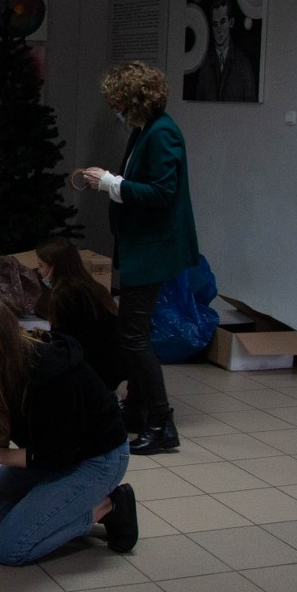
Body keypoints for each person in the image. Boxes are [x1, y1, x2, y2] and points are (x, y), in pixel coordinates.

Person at [0, 291, 136, 566]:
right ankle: (53, 515)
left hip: (95, 458)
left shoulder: (52, 373)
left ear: (1, 345)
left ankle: (107, 506)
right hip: (47, 453)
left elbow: (58, 454)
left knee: (10, 549)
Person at [83, 61, 199, 454]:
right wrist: (110, 182)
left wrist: (110, 183)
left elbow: (162, 193)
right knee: (132, 332)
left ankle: (161, 422)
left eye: (118, 102)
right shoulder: (146, 128)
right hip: (143, 245)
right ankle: (135, 409)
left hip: (154, 248)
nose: (115, 110)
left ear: (133, 100)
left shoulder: (163, 133)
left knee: (133, 336)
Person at [34, 237, 128, 395]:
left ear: (54, 267)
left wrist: (29, 335)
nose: (39, 271)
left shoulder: (66, 294)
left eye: (41, 266)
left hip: (94, 370)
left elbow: (60, 340)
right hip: (111, 365)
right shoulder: (92, 286)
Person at [183, 0, 256, 102]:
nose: (219, 30)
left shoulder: (243, 64)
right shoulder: (205, 64)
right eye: (215, 24)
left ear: (231, 22)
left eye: (222, 22)